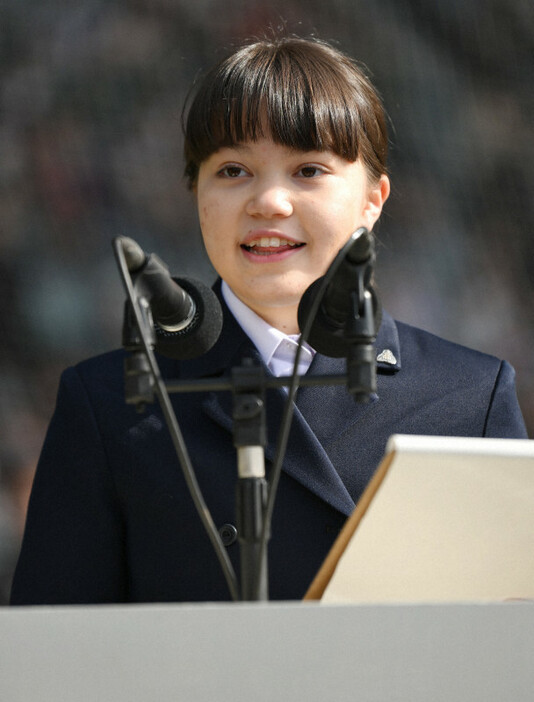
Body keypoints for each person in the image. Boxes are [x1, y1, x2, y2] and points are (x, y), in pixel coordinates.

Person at [10, 36, 527, 605]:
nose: (270, 202)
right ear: (195, 193)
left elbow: (507, 647)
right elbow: (55, 656)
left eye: (308, 170)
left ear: (373, 201)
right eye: (233, 170)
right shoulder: (108, 405)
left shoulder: (469, 397)